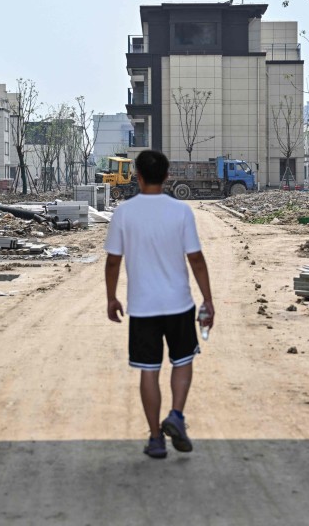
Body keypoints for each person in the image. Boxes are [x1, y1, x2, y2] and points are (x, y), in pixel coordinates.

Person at [104, 150, 215, 459]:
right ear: (167, 177)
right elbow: (196, 259)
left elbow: (113, 261)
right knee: (183, 361)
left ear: (137, 175)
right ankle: (176, 415)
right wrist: (208, 299)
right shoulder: (180, 211)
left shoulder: (124, 213)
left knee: (148, 371)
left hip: (142, 308)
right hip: (179, 304)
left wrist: (111, 297)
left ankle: (155, 438)